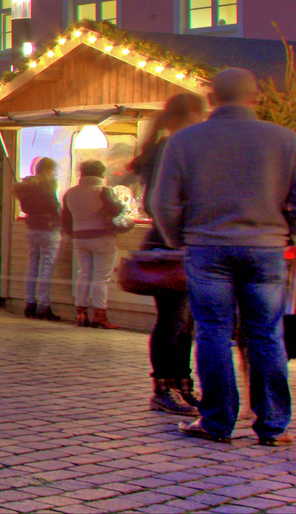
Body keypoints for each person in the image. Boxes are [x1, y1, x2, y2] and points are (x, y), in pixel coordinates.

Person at [153, 67, 296, 447]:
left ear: (212, 99)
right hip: (265, 248)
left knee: (212, 331)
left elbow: (162, 202)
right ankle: (274, 426)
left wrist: (182, 238)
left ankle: (216, 421)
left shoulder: (186, 142)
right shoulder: (286, 140)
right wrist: (288, 234)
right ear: (255, 97)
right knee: (266, 334)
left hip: (206, 246)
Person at [129, 91, 206, 416]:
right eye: (196, 117)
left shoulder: (168, 148)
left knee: (182, 320)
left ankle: (179, 384)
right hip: (171, 245)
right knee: (174, 319)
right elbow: (157, 201)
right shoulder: (171, 150)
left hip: (174, 243)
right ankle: (165, 387)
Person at [61, 158, 125, 329]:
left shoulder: (71, 193)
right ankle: (100, 316)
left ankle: (81, 313)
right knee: (101, 278)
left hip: (80, 238)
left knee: (84, 274)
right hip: (102, 238)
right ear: (101, 173)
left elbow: (66, 219)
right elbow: (116, 210)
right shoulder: (103, 190)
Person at [13, 157, 62, 321]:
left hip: (32, 227)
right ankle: (44, 304)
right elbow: (54, 206)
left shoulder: (26, 186)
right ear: (48, 169)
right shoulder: (47, 185)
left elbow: (24, 208)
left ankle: (30, 302)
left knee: (33, 265)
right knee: (47, 266)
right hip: (48, 228)